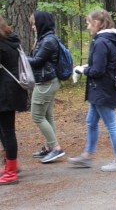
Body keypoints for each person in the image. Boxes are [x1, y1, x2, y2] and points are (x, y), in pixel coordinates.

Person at [68, 10, 116, 171]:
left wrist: (82, 70)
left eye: (88, 23)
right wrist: (88, 67)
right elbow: (103, 65)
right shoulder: (106, 40)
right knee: (91, 122)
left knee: (111, 125)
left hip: (102, 89)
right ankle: (87, 156)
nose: (87, 27)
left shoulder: (101, 42)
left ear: (97, 23)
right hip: (99, 89)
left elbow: (98, 70)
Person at [28, 11, 65, 163]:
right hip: (48, 81)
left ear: (41, 23)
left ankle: (55, 148)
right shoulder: (45, 39)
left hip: (46, 83)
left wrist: (21, 58)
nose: (33, 27)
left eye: (34, 24)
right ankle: (49, 147)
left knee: (37, 116)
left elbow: (37, 61)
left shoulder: (48, 41)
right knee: (47, 116)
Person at [0, 16, 27, 185]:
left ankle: (11, 171)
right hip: (10, 90)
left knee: (7, 130)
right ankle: (12, 163)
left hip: (5, 92)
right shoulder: (11, 40)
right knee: (3, 129)